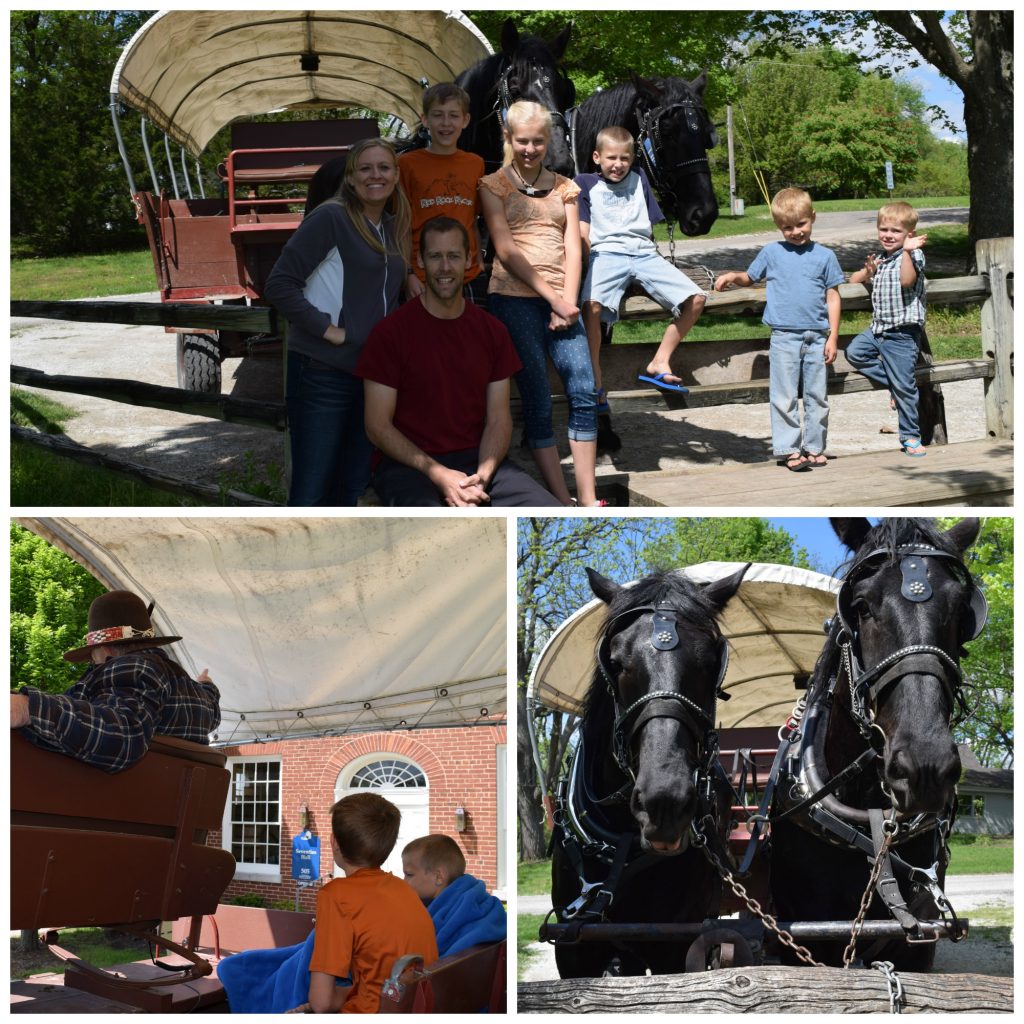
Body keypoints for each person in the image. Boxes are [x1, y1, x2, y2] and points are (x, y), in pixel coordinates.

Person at [357, 216, 562, 506]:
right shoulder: (390, 333)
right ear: (420, 261)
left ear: (469, 260)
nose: (444, 267)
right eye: (435, 256)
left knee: (546, 509)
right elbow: (377, 426)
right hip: (410, 466)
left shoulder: (492, 331)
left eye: (453, 256)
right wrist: (439, 474)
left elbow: (499, 419)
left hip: (478, 460)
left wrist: (482, 476)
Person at [264, 137, 412, 506]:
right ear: (350, 178)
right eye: (365, 168)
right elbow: (280, 284)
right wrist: (328, 330)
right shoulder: (331, 217)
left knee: (352, 486)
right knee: (312, 491)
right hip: (323, 371)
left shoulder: (391, 226)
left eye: (383, 168)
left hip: (372, 377)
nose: (374, 175)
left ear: (395, 175)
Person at [479, 100, 603, 507]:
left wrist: (567, 301)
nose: (530, 149)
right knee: (535, 393)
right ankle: (560, 494)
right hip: (514, 298)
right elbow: (506, 249)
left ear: (548, 140)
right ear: (508, 138)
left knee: (583, 388)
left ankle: (586, 496)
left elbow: (573, 247)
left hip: (562, 301)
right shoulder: (493, 185)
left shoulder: (567, 187)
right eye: (522, 141)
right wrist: (554, 300)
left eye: (537, 141)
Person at [218, 793, 437, 1014]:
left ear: (334, 843)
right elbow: (373, 986)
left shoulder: (337, 895)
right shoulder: (405, 891)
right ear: (388, 846)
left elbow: (322, 1003)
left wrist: (316, 1004)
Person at [10, 590, 220, 773]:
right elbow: (212, 706)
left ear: (106, 650)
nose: (93, 664)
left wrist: (29, 708)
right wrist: (205, 685)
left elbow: (123, 736)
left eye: (92, 657)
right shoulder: (196, 697)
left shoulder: (131, 667)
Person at [715, 188, 844, 472]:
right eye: (788, 227)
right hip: (784, 336)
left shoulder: (825, 256)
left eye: (801, 224)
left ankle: (814, 447)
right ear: (778, 226)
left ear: (813, 218)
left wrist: (833, 336)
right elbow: (750, 278)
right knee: (784, 395)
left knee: (817, 396)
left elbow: (833, 296)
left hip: (817, 336)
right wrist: (733, 276)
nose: (796, 232)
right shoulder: (772, 252)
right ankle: (788, 449)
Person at [576, 125, 706, 402]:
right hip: (606, 254)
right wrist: (585, 266)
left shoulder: (640, 178)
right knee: (591, 305)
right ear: (597, 157)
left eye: (625, 158)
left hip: (644, 254)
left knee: (696, 298)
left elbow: (648, 224)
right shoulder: (585, 183)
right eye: (611, 158)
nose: (618, 164)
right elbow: (583, 233)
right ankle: (595, 375)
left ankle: (660, 360)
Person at [847, 201, 929, 457]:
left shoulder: (913, 255)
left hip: (902, 334)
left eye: (895, 231)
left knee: (906, 387)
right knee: (854, 352)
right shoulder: (881, 258)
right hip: (878, 329)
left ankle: (911, 437)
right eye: (884, 229)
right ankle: (893, 384)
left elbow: (907, 281)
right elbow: (852, 280)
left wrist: (906, 252)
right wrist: (868, 272)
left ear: (909, 235)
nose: (888, 235)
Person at [398, 83, 486, 302]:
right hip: (423, 275)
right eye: (438, 115)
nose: (446, 123)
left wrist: (480, 262)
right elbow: (401, 224)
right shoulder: (407, 164)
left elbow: (473, 219)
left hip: (467, 274)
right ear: (425, 119)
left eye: (453, 116)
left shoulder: (475, 164)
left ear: (465, 120)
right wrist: (408, 273)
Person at [402, 834, 506, 957]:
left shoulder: (435, 922)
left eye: (409, 874)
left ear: (438, 877)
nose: (404, 882)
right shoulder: (484, 905)